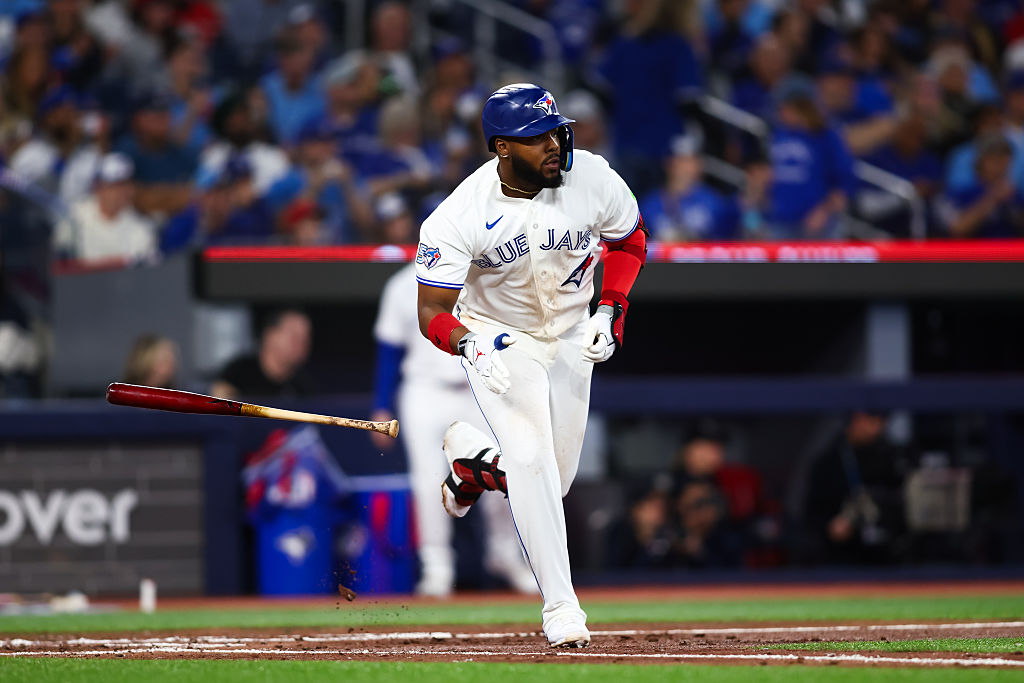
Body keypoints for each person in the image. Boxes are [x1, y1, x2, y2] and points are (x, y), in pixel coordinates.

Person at [415, 84, 646, 647]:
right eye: (535, 137)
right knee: (530, 460)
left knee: (553, 481)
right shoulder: (459, 213)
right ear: (501, 149)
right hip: (500, 337)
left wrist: (611, 307)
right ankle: (561, 608)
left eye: (554, 131)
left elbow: (630, 240)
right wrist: (467, 344)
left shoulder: (591, 176)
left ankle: (472, 464)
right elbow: (431, 311)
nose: (553, 144)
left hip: (571, 330)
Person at [371, 262, 537, 597]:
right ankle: (437, 566)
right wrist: (381, 404)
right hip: (423, 389)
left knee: (504, 470)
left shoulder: (486, 274)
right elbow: (388, 351)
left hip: (479, 387)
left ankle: (504, 552)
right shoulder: (402, 284)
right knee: (427, 480)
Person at [53, 152, 157, 263]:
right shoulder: (75, 216)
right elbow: (58, 255)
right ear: (98, 187)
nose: (120, 192)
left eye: (124, 185)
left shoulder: (141, 229)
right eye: (113, 186)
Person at [211, 308, 314, 400]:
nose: (301, 342)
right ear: (269, 335)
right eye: (293, 334)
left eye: (306, 336)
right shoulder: (236, 375)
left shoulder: (305, 386)